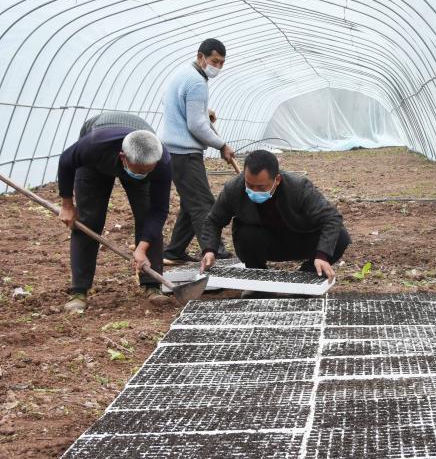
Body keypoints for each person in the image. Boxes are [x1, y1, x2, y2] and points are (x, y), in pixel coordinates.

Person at [57, 112, 171, 313]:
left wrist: (142, 248)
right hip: (95, 162)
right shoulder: (93, 145)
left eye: (148, 170)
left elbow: (159, 210)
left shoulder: (161, 161)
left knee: (146, 216)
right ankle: (79, 291)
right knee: (89, 218)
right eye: (139, 170)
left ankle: (152, 285)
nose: (142, 174)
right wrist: (67, 204)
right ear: (123, 158)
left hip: (137, 147)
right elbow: (66, 161)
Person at [199, 150, 350, 297]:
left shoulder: (298, 187)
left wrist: (322, 255)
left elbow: (331, 218)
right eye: (249, 185)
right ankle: (258, 283)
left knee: (340, 237)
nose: (254, 191)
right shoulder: (234, 189)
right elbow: (213, 220)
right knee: (245, 233)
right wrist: (209, 250)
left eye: (261, 187)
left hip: (300, 239)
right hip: (266, 242)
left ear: (277, 180)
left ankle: (306, 278)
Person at [160, 38, 234, 265]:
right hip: (185, 154)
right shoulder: (197, 82)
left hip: (174, 151)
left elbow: (185, 110)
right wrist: (222, 145)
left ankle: (174, 251)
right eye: (214, 61)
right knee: (203, 203)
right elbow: (196, 126)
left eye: (221, 63)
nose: (217, 67)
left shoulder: (184, 74)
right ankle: (216, 252)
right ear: (200, 56)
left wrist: (204, 111)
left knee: (190, 204)